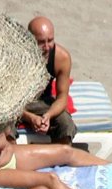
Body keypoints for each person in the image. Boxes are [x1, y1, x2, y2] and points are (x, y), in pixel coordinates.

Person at [21, 15, 76, 144]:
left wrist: (48, 115)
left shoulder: (61, 58)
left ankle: (60, 158)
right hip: (18, 103)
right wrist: (30, 118)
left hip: (43, 102)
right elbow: (6, 99)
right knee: (2, 129)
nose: (46, 47)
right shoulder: (16, 57)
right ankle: (13, 160)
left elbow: (62, 97)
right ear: (29, 40)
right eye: (40, 42)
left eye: (50, 40)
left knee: (66, 124)